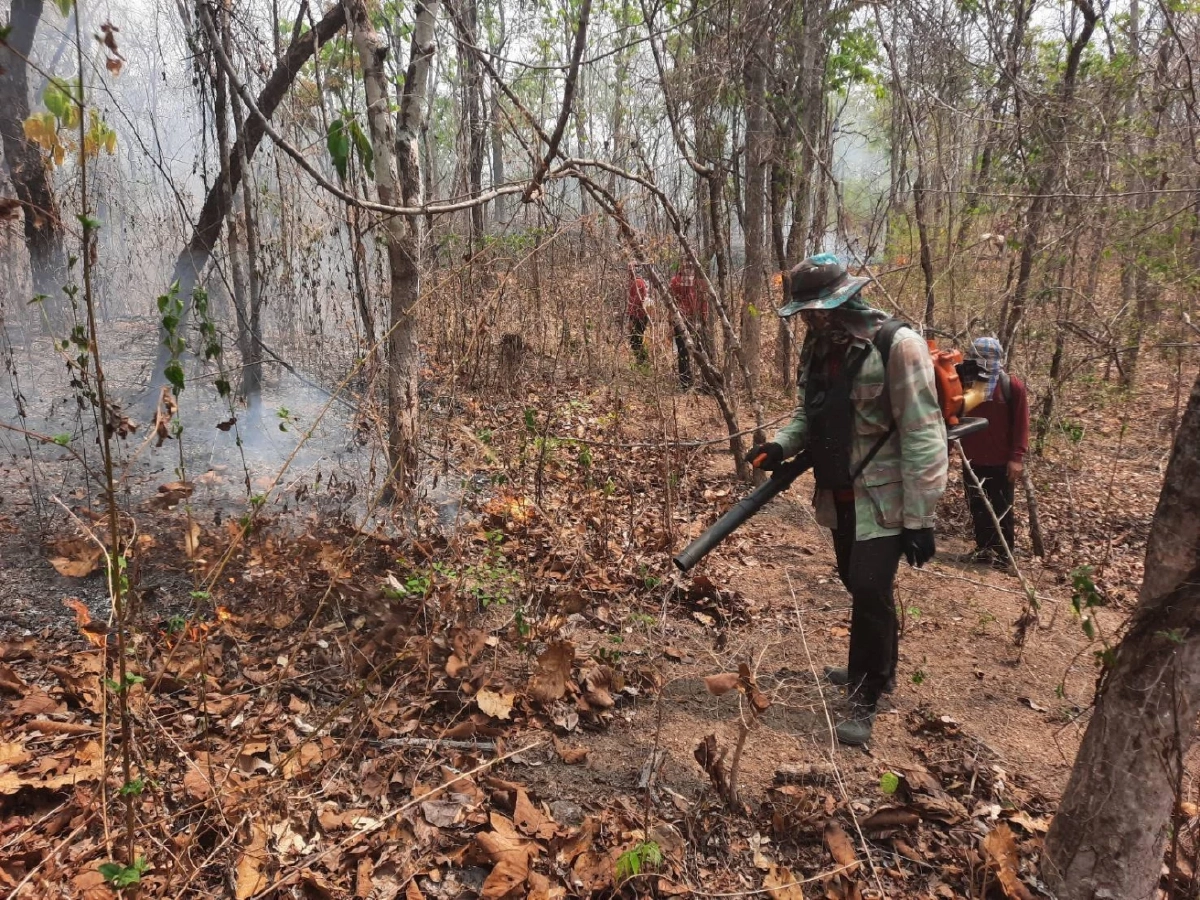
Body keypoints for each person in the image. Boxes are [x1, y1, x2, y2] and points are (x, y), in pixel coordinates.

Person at [745, 253, 948, 746]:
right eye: (806, 312)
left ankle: (865, 694)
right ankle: (882, 668)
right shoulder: (817, 350)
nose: (812, 320)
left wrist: (920, 519)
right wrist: (780, 445)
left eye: (819, 309)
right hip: (838, 494)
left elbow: (924, 434)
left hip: (886, 500)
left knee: (869, 586)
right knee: (860, 588)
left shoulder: (897, 346)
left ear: (845, 301)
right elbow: (808, 416)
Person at [957, 337, 1029, 568]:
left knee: (1002, 507)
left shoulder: (1011, 385)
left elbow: (1021, 424)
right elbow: (954, 416)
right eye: (977, 355)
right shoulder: (966, 382)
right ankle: (984, 550)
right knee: (977, 506)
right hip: (972, 458)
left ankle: (1004, 555)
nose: (982, 361)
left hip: (1000, 460)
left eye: (987, 356)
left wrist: (1016, 457)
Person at [669, 262, 705, 389]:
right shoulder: (676, 281)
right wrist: (672, 323)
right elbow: (671, 303)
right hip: (681, 321)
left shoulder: (699, 282)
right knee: (683, 351)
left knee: (698, 351)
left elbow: (703, 301)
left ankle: (700, 382)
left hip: (694, 321)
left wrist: (703, 319)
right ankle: (686, 382)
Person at [627, 264, 650, 364]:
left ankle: (641, 361)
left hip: (639, 315)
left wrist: (632, 319)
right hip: (641, 315)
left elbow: (637, 301)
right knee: (637, 339)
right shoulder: (639, 281)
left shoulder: (638, 282)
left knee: (636, 340)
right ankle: (642, 361)